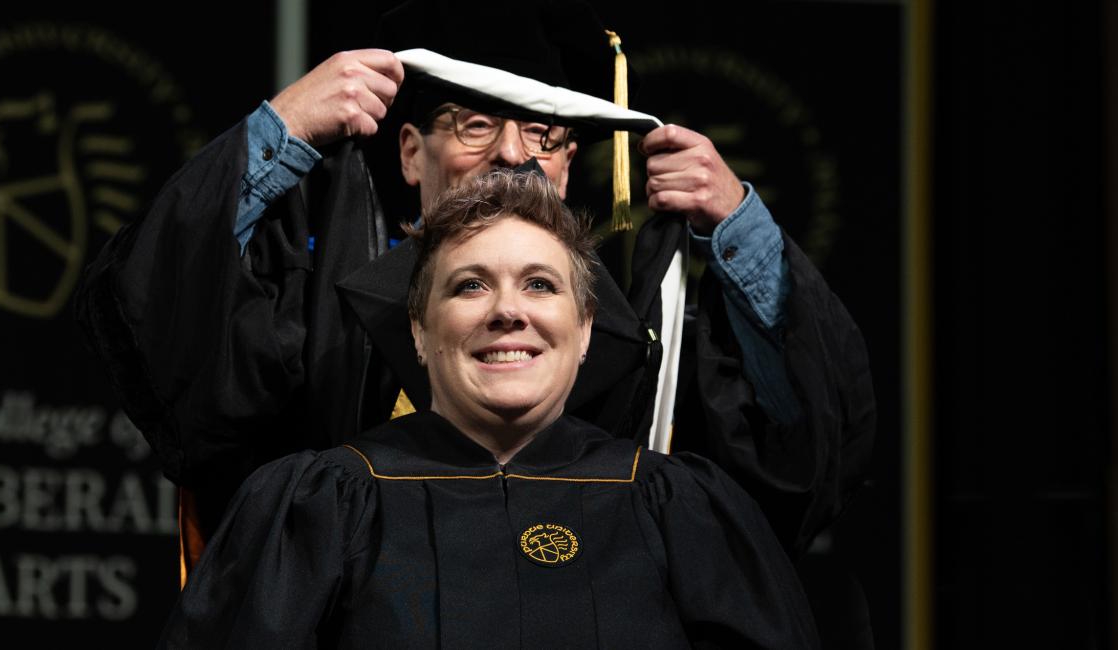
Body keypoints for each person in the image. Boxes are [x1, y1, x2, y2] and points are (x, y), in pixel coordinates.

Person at [76, 1, 873, 584]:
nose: (515, 157)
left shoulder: (642, 341)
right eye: (474, 125)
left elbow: (797, 461)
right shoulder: (320, 310)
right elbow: (164, 317)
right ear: (410, 154)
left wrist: (739, 225)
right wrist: (279, 128)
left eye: (546, 136)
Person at [158, 169, 820, 648]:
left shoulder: (675, 506)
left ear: (585, 326)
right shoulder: (320, 506)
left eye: (540, 283)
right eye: (470, 285)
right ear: (418, 329)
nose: (509, 311)